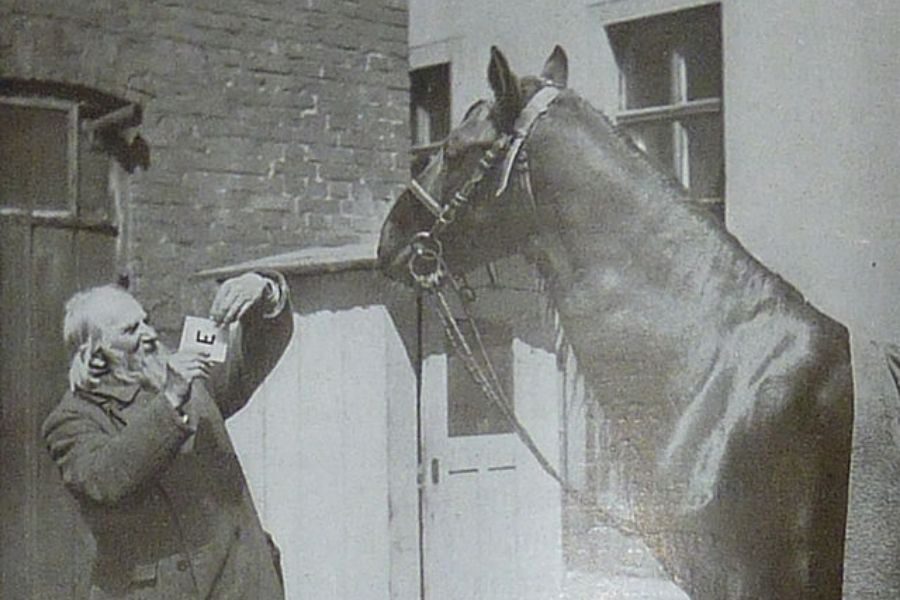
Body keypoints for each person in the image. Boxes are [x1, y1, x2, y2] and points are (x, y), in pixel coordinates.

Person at [42, 271, 293, 599]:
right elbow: (106, 480)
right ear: (95, 351)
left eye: (146, 321)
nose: (148, 334)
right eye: (130, 330)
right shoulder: (72, 418)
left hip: (240, 585)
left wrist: (265, 293)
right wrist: (170, 399)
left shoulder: (187, 376)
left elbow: (252, 358)